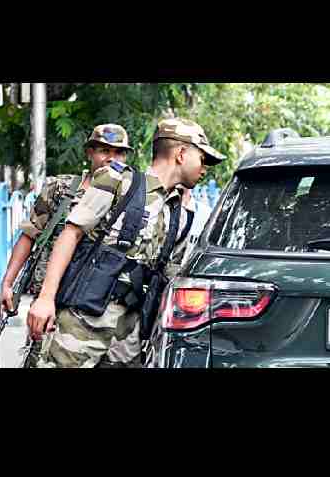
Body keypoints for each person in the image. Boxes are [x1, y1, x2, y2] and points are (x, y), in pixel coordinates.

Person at [26, 118, 224, 368]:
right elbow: (71, 234)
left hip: (129, 336)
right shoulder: (120, 181)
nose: (205, 168)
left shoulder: (179, 213)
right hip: (81, 321)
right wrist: (45, 299)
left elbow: (170, 278)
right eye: (202, 159)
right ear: (182, 154)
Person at [0, 125, 132, 368]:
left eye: (119, 153)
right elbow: (29, 235)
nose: (111, 158)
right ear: (89, 153)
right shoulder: (61, 188)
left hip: (96, 306)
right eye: (104, 150)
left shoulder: (131, 198)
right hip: (54, 300)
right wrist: (7, 283)